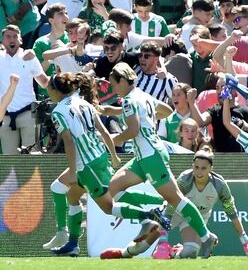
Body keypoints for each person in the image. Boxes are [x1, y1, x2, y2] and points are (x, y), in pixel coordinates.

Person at [48, 72, 170, 257]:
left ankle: (149, 216)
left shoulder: (58, 112)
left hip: (86, 164)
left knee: (108, 206)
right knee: (69, 194)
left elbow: (69, 141)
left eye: (49, 88)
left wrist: (73, 171)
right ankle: (70, 240)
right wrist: (112, 155)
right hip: (98, 156)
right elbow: (104, 131)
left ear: (56, 91)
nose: (47, 91)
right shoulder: (85, 103)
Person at [106, 62, 218, 258]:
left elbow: (133, 130)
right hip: (144, 156)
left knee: (176, 199)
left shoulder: (128, 101)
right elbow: (166, 110)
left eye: (114, 85)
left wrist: (109, 140)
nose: (114, 90)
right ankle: (147, 218)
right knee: (113, 188)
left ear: (123, 80)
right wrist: (118, 112)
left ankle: (206, 236)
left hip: (151, 156)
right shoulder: (141, 96)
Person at [101, 149, 248, 260]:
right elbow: (170, 207)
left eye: (203, 168)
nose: (199, 172)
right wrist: (163, 240)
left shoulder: (219, 185)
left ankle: (176, 252)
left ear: (211, 169)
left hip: (195, 220)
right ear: (192, 166)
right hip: (172, 214)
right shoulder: (185, 180)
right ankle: (123, 253)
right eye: (196, 167)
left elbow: (232, 213)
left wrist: (246, 242)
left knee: (190, 253)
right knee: (142, 247)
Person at [0, 25, 50, 154]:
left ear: (21, 40)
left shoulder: (29, 57)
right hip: (5, 116)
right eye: (8, 36)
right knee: (9, 160)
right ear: (2, 40)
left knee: (33, 158)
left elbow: (44, 83)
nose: (12, 40)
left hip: (29, 113)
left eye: (15, 36)